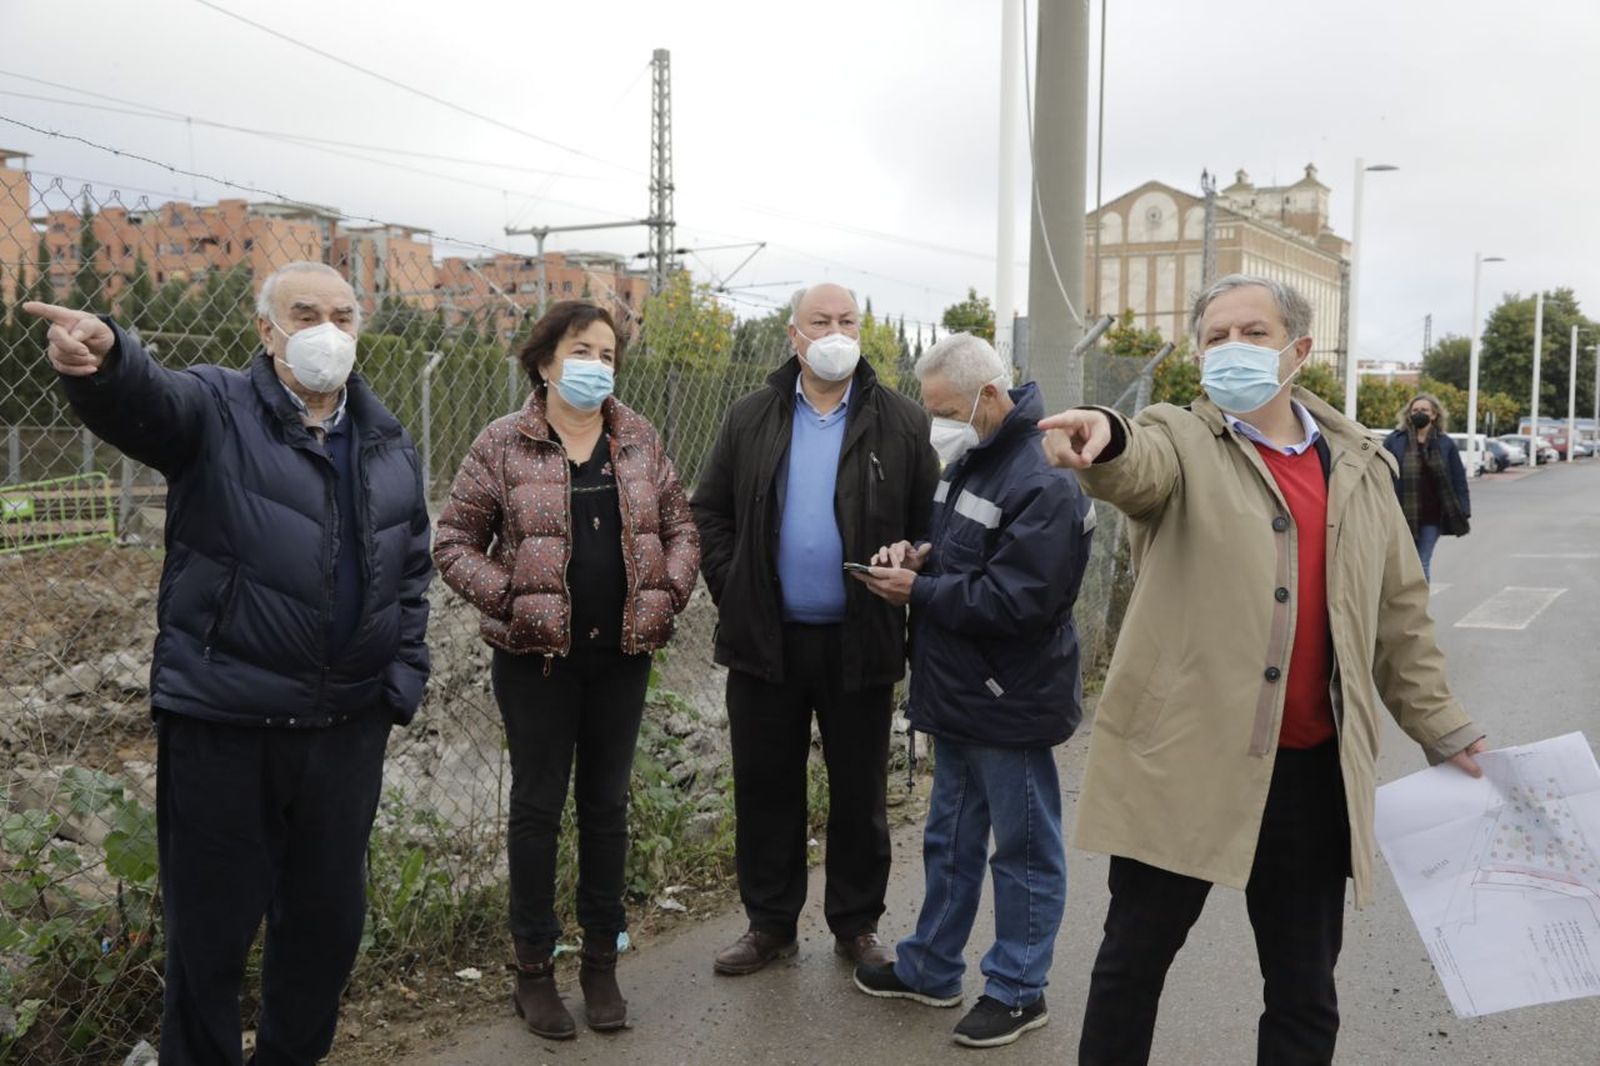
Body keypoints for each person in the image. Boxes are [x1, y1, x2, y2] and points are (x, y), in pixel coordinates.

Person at [1038, 274, 1488, 1066]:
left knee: (1304, 989)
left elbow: (1399, 620)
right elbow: (1135, 463)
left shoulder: (1359, 466)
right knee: (1130, 967)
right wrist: (1103, 439)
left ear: (1299, 351)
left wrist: (1443, 728)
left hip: (1312, 775)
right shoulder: (1179, 434)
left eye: (1253, 332)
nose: (1232, 349)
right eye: (1215, 337)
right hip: (1183, 762)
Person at [23, 261, 433, 1066]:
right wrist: (109, 360)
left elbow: (411, 566)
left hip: (346, 728)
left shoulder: (386, 439)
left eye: (343, 316)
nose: (327, 330)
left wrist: (399, 679)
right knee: (208, 943)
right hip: (226, 722)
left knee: (324, 933)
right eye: (305, 313)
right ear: (266, 329)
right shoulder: (217, 405)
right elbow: (149, 405)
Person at [433, 300, 699, 1039]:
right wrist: (511, 596)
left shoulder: (638, 438)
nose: (597, 367)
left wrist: (666, 593)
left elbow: (681, 528)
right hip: (535, 663)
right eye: (583, 351)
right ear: (545, 362)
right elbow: (454, 539)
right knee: (539, 808)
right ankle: (533, 972)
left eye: (609, 355)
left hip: (621, 657)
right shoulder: (502, 445)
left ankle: (601, 967)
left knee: (608, 808)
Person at [847, 333, 1093, 1049]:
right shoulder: (978, 458)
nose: (935, 424)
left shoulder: (1042, 475)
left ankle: (1019, 990)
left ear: (989, 395)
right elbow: (962, 549)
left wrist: (918, 590)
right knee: (950, 839)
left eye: (945, 408)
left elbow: (1021, 601)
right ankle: (931, 966)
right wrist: (917, 554)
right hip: (960, 689)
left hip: (1007, 697)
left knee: (1020, 850)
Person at [691, 283, 941, 976]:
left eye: (848, 320)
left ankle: (856, 928)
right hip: (765, 641)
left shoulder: (901, 421)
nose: (836, 332)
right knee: (766, 787)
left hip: (860, 639)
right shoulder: (751, 416)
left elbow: (929, 525)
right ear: (793, 336)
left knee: (860, 793)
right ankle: (770, 924)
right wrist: (734, 584)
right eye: (820, 321)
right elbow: (708, 512)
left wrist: (914, 555)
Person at [1382, 393, 1470, 581]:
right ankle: (1401, 603)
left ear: (1434, 415)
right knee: (1402, 563)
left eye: (1424, 410)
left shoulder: (1445, 443)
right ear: (1408, 414)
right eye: (1415, 410)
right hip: (1401, 513)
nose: (1419, 413)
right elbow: (1381, 474)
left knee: (1422, 562)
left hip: (1433, 515)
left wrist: (1464, 508)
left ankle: (1418, 608)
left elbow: (1458, 478)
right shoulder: (1395, 440)